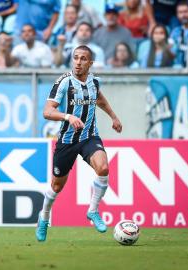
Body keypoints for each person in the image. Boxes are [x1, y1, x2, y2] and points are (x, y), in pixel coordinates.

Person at [36, 45, 122, 242]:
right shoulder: (64, 82)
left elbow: (99, 99)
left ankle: (92, 211)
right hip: (67, 141)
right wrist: (68, 117)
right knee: (57, 186)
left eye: (83, 59)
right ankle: (44, 217)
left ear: (90, 63)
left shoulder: (94, 81)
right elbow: (47, 111)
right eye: (75, 58)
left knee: (103, 167)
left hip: (89, 136)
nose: (78, 62)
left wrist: (114, 117)